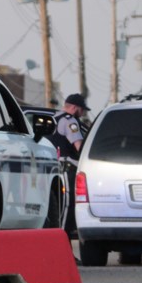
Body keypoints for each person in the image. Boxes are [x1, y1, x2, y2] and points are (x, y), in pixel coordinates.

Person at [53, 93, 90, 237]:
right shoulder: (70, 122)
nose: (83, 113)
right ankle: (64, 242)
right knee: (68, 207)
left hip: (53, 168)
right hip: (67, 168)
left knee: (59, 207)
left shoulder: (54, 118)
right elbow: (79, 147)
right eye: (82, 110)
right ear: (74, 108)